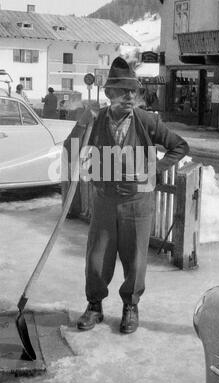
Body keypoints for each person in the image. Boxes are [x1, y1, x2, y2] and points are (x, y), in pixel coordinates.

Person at [62, 57, 189, 335]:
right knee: (97, 257)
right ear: (109, 95)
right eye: (123, 91)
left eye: (134, 91)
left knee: (135, 259)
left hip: (137, 203)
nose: (130, 96)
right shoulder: (96, 121)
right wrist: (83, 123)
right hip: (104, 200)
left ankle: (130, 307)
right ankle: (94, 306)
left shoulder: (145, 120)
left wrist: (154, 170)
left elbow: (179, 146)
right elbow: (70, 149)